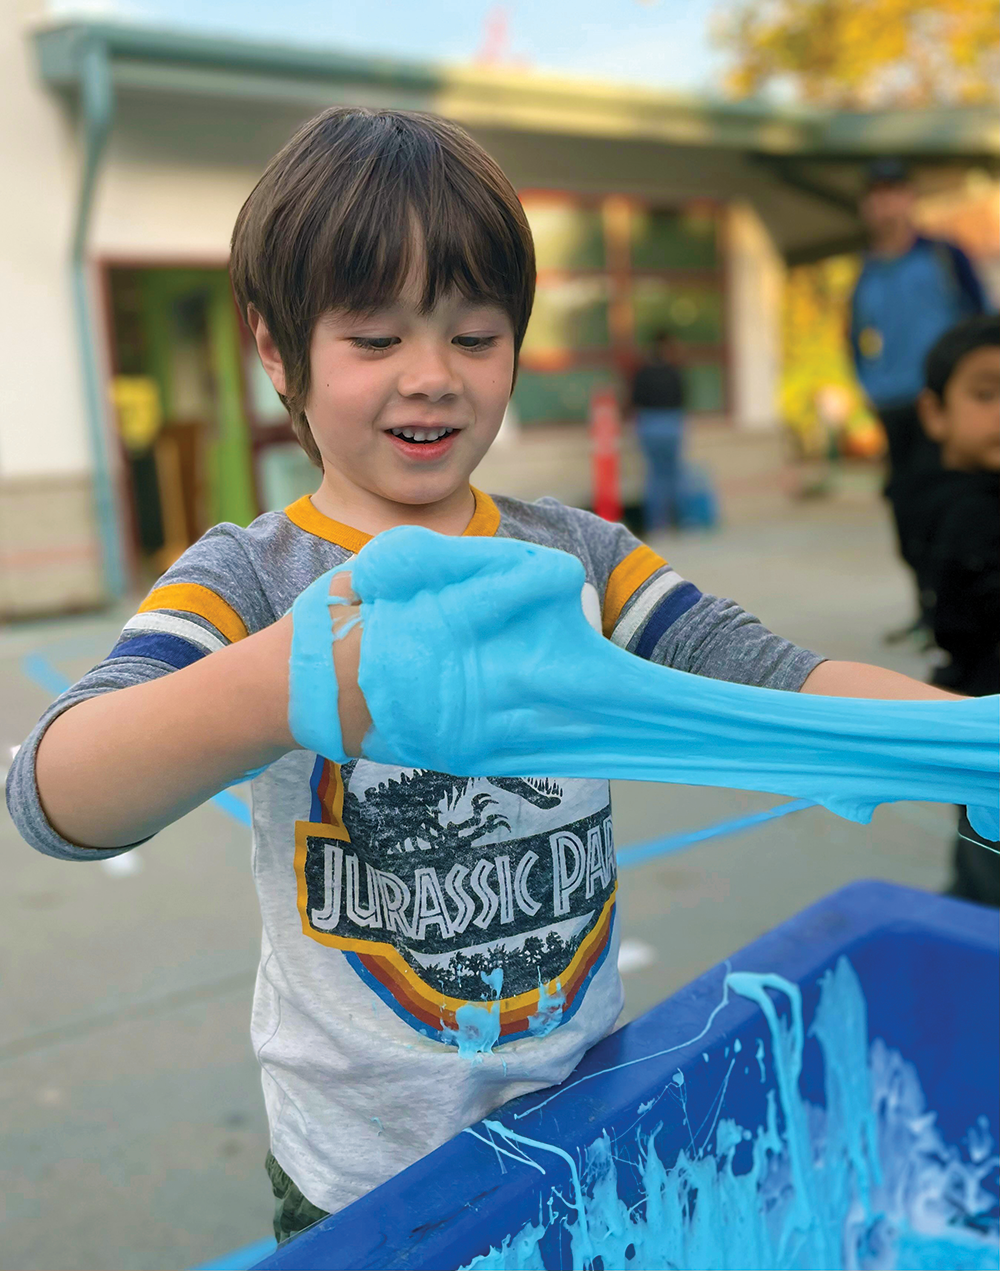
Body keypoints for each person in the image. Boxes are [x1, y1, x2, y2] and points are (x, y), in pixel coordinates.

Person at [4, 109, 978, 1246]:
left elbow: (778, 677)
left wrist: (972, 741)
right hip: (363, 1176)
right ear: (277, 349)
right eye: (373, 340)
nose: (432, 379)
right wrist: (294, 682)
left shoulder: (576, 558)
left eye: (474, 336)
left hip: (591, 1125)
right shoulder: (252, 577)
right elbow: (53, 791)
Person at [848, 158, 987, 634]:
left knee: (950, 505)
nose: (885, 201)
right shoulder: (865, 270)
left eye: (895, 190)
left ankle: (957, 613)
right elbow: (854, 337)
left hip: (944, 407)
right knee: (906, 508)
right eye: (876, 192)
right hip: (893, 408)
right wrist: (868, 384)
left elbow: (982, 323)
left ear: (910, 198)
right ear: (867, 205)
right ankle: (928, 610)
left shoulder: (945, 257)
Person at [900, 316, 999, 905]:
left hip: (976, 723)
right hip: (982, 723)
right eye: (985, 395)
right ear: (935, 412)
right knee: (986, 886)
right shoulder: (956, 506)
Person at [630, 329, 686, 532]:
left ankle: (657, 524)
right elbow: (683, 398)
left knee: (654, 476)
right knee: (673, 474)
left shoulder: (642, 372)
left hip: (649, 424)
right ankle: (681, 521)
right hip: (671, 423)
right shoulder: (675, 371)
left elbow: (635, 400)